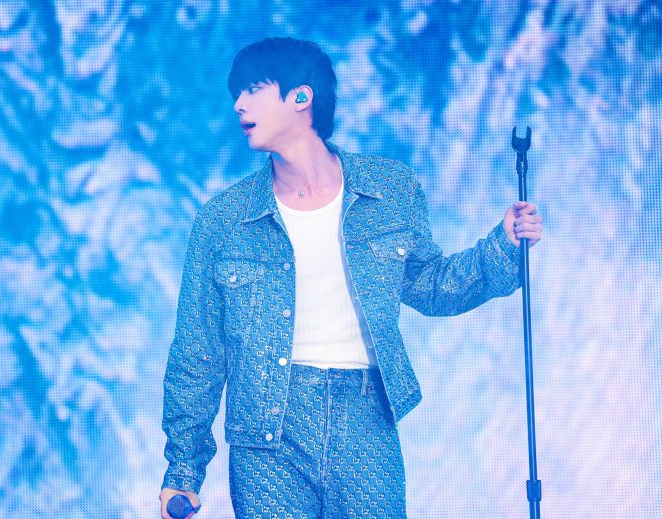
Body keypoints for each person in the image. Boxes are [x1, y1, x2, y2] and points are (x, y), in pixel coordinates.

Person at [159, 37, 542, 519]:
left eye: (253, 89)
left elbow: (431, 285)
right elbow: (197, 352)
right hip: (265, 437)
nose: (239, 103)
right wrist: (183, 471)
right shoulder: (223, 220)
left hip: (365, 420)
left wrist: (502, 244)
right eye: (236, 93)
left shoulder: (390, 190)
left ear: (301, 96)